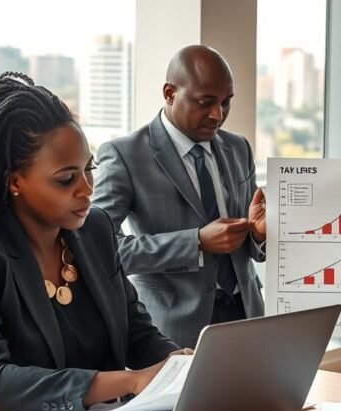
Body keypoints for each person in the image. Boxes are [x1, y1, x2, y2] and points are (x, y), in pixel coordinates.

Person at [0, 72, 189, 411]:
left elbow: (136, 334)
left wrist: (181, 366)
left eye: (89, 170)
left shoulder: (94, 229)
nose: (86, 189)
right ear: (15, 181)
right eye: (66, 179)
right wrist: (131, 382)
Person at [93, 45, 266, 349]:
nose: (218, 114)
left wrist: (260, 234)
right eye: (206, 102)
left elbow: (249, 239)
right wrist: (196, 242)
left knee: (251, 399)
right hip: (172, 329)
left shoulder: (239, 148)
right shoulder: (124, 155)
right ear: (170, 93)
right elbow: (99, 250)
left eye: (226, 102)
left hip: (246, 316)